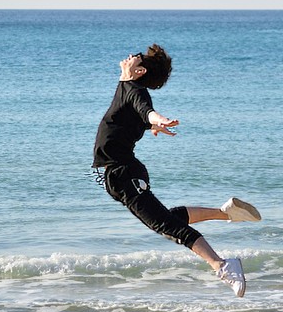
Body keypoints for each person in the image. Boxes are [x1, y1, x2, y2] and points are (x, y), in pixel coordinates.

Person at [92, 44, 261, 298]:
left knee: (165, 224)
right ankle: (226, 213)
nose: (128, 56)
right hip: (118, 175)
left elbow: (145, 110)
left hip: (124, 173)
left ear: (139, 71)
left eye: (134, 57)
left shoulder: (134, 90)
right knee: (165, 219)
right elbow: (131, 119)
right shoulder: (126, 88)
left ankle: (222, 265)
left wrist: (156, 120)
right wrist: (152, 127)